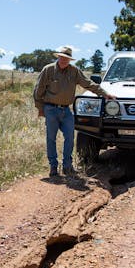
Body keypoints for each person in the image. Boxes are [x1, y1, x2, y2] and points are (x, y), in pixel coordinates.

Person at [33, 46, 114, 177]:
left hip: (66, 110)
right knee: (51, 139)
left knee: (70, 138)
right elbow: (38, 91)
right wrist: (40, 109)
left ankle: (67, 166)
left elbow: (88, 83)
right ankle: (53, 167)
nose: (64, 60)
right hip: (51, 109)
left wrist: (105, 94)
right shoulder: (48, 70)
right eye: (62, 57)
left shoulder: (74, 71)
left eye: (67, 58)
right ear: (58, 57)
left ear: (70, 60)